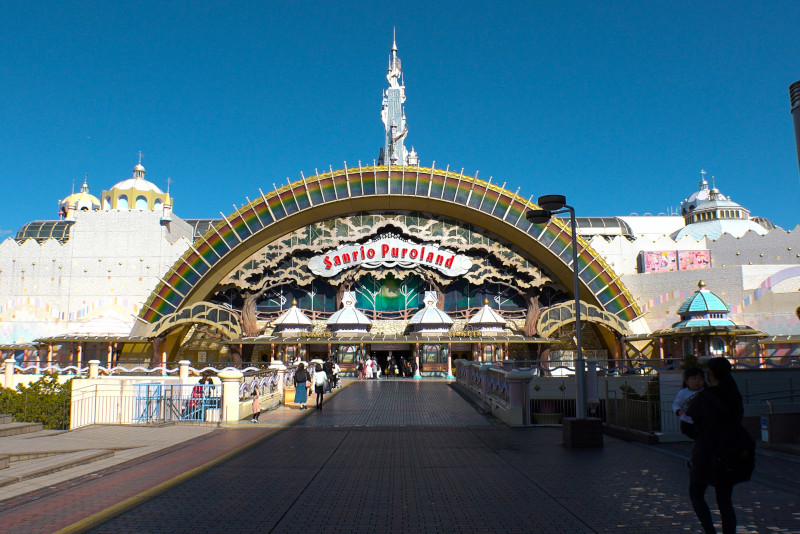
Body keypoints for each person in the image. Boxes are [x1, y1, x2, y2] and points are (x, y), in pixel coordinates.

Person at [685, 357, 744, 534]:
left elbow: (686, 426)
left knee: (696, 493)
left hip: (705, 453)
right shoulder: (735, 396)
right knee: (725, 500)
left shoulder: (703, 398)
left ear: (710, 374)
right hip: (729, 452)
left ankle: (710, 531)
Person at [672, 366, 705, 437]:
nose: (697, 381)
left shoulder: (705, 392)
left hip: (702, 421)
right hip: (687, 422)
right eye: (694, 379)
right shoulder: (683, 392)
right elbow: (676, 404)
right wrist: (679, 411)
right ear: (687, 381)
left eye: (700, 379)